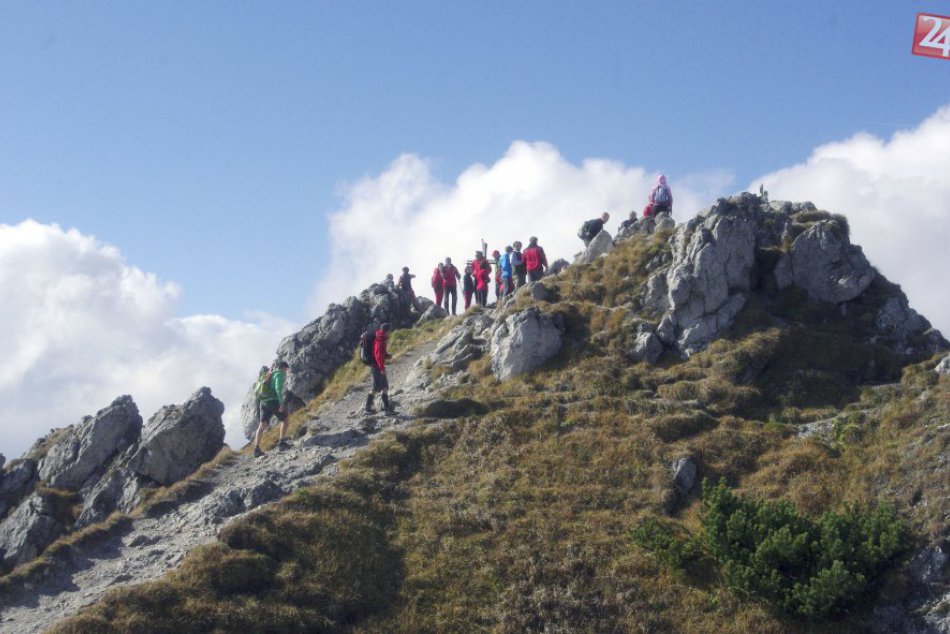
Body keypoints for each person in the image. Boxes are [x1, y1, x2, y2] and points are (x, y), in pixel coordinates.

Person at [253, 360, 290, 457]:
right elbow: (278, 389)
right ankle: (282, 443)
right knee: (285, 420)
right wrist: (281, 404)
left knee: (262, 426)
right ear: (283, 368)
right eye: (286, 369)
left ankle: (256, 449)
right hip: (272, 401)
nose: (286, 371)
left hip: (263, 402)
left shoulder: (268, 376)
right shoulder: (279, 374)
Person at [365, 322, 394, 413]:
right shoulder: (380, 340)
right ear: (386, 331)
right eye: (389, 331)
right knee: (377, 387)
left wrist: (387, 355)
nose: (390, 332)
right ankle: (369, 408)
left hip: (376, 366)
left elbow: (379, 353)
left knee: (383, 386)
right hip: (377, 367)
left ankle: (385, 408)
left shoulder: (380, 338)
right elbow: (378, 355)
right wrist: (382, 368)